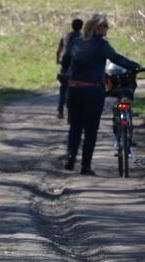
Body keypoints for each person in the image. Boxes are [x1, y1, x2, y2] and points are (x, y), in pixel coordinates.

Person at [61, 13, 140, 175]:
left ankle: (71, 157)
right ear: (98, 28)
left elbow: (65, 61)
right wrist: (135, 66)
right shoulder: (101, 45)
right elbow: (117, 59)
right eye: (105, 26)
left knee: (75, 126)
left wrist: (69, 72)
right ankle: (85, 166)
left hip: (74, 89)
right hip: (92, 90)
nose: (108, 29)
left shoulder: (76, 42)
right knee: (91, 129)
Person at [56, 18, 83, 119]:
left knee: (63, 88)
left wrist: (58, 60)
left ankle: (60, 110)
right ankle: (72, 110)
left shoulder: (65, 36)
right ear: (81, 27)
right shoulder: (82, 37)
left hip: (65, 64)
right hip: (76, 65)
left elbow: (59, 51)